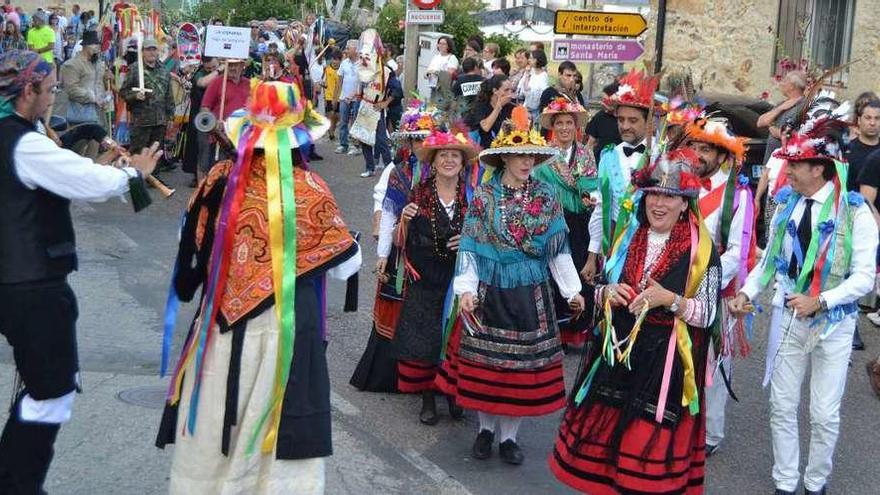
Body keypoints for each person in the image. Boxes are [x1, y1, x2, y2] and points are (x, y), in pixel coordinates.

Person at [156, 80, 361, 495]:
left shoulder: (217, 179)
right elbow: (346, 265)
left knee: (213, 417)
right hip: (281, 334)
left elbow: (190, 244)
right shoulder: (309, 190)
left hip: (219, 328)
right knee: (272, 424)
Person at [0, 49, 162, 494]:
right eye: (49, 89)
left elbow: (57, 180)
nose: (52, 97)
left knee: (42, 388)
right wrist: (135, 174)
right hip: (32, 286)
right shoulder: (24, 142)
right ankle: (17, 485)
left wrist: (99, 167)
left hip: (18, 284)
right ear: (27, 90)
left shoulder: (18, 137)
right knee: (51, 394)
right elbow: (88, 184)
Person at [550, 148, 722, 495]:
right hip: (618, 355)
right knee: (608, 457)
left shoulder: (702, 252)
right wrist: (608, 292)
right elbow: (599, 291)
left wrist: (669, 300)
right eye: (653, 195)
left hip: (663, 364)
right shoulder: (629, 239)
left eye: (669, 197)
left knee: (643, 456)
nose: (659, 204)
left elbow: (707, 313)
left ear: (685, 203)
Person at [729, 107, 878, 495]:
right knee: (781, 404)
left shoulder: (855, 213)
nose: (787, 170)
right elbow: (769, 262)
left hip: (834, 323)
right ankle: (784, 481)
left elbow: (864, 276)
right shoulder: (786, 204)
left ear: (819, 168)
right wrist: (746, 291)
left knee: (824, 414)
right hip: (787, 317)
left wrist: (823, 301)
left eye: (796, 164)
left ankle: (815, 483)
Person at [436, 107, 585, 466]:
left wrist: (571, 290)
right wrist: (466, 289)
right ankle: (485, 431)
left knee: (520, 370)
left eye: (530, 155)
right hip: (491, 291)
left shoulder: (548, 197)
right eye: (518, 154)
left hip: (531, 294)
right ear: (503, 157)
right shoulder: (485, 198)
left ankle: (509, 438)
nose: (525, 161)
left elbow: (557, 249)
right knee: (490, 369)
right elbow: (470, 248)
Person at [386, 129, 479, 424]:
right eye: (444, 156)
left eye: (455, 156)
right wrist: (404, 219)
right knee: (426, 339)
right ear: (434, 162)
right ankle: (428, 397)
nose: (449, 160)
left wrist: (466, 238)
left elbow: (483, 235)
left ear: (463, 163)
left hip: (459, 277)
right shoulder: (419, 192)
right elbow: (399, 241)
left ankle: (452, 393)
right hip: (424, 277)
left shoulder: (473, 197)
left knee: (456, 337)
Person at [350, 104, 439, 393]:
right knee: (395, 306)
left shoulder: (448, 170)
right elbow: (386, 211)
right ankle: (391, 374)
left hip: (434, 255)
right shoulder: (397, 171)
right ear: (407, 143)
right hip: (403, 254)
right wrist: (383, 255)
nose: (420, 146)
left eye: (425, 139)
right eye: (415, 140)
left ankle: (427, 377)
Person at [683, 117, 754, 456]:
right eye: (694, 146)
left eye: (705, 148)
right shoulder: (683, 183)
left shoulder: (738, 195)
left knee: (714, 359)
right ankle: (681, 420)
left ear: (723, 156)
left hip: (716, 288)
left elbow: (739, 253)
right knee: (681, 353)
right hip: (679, 287)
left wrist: (702, 279)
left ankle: (710, 432)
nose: (697, 154)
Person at [534, 97, 597, 349]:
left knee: (579, 267)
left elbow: (592, 186)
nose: (564, 128)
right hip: (551, 219)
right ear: (552, 126)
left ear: (575, 126)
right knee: (552, 270)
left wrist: (587, 195)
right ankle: (555, 329)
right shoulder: (543, 154)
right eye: (559, 123)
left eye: (568, 123)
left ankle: (577, 329)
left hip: (579, 220)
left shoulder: (586, 153)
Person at [584, 69, 658, 282]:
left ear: (648, 122)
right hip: (615, 250)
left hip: (651, 253)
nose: (625, 126)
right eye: (621, 119)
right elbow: (601, 207)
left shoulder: (661, 158)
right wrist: (592, 255)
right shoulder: (608, 156)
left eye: (633, 120)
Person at [845, 97, 880, 348]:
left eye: (877, 119)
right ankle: (851, 324)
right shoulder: (850, 150)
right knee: (852, 272)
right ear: (859, 120)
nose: (873, 123)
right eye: (868, 117)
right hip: (856, 218)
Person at [120, 38, 173, 156]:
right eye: (148, 50)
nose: (152, 53)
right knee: (137, 154)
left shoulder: (164, 70)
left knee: (155, 155)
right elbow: (123, 92)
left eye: (154, 49)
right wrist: (134, 96)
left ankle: (155, 174)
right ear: (142, 52)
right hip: (141, 122)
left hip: (159, 121)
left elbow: (169, 95)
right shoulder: (134, 69)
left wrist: (170, 116)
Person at [757, 70, 807, 164]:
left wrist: (772, 127)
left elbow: (790, 135)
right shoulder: (783, 103)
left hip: (784, 165)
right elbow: (760, 122)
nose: (781, 84)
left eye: (785, 81)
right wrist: (780, 109)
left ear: (792, 86)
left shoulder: (802, 107)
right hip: (770, 164)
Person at [60, 30, 107, 126]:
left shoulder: (96, 63)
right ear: (85, 46)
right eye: (94, 45)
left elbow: (99, 83)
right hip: (81, 114)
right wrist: (93, 98)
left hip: (98, 113)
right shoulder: (72, 64)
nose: (97, 48)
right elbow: (72, 89)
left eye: (97, 45)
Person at [465, 74, 514, 150]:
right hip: (486, 150)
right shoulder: (481, 105)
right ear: (495, 91)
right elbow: (486, 127)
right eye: (506, 90)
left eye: (512, 90)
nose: (510, 93)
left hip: (505, 149)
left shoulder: (510, 107)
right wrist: (498, 107)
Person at [585, 81, 622, 162]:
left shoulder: (624, 118)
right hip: (601, 162)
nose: (603, 103)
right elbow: (590, 144)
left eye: (606, 100)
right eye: (602, 100)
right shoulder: (599, 116)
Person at [335, 39, 360, 155]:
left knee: (355, 122)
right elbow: (339, 80)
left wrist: (355, 94)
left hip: (357, 98)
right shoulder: (344, 63)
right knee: (343, 121)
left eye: (348, 48)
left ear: (355, 50)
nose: (345, 51)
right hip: (344, 98)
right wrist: (338, 96)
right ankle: (343, 144)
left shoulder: (362, 63)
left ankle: (355, 146)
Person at [521, 49, 548, 122]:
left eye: (531, 58)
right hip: (526, 108)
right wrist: (526, 74)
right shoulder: (531, 72)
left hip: (535, 111)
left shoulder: (543, 76)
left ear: (537, 60)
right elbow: (525, 89)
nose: (529, 60)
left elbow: (541, 94)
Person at [323, 50, 341, 140]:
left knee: (336, 117)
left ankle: (332, 129)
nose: (335, 61)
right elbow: (323, 82)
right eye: (334, 59)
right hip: (329, 96)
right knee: (330, 114)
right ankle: (331, 133)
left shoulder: (342, 70)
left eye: (337, 59)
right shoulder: (327, 69)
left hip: (339, 97)